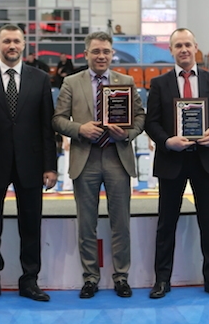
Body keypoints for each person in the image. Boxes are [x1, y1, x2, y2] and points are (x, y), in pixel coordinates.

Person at [52, 31, 145, 299]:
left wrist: (126, 134)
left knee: (121, 223)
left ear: (112, 54)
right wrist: (80, 129)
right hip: (86, 157)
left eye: (106, 51)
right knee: (86, 223)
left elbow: (140, 117)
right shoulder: (71, 82)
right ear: (86, 54)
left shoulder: (126, 81)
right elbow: (58, 119)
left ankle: (121, 276)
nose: (101, 56)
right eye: (96, 51)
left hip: (117, 156)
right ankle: (90, 277)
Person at [144, 28, 209, 300]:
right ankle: (162, 280)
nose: (183, 49)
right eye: (178, 45)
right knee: (166, 223)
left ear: (196, 47)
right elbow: (151, 122)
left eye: (187, 45)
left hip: (205, 160)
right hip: (171, 160)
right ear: (171, 50)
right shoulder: (159, 83)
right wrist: (167, 141)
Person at [0, 24, 58, 304]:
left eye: (17, 41)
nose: (12, 45)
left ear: (24, 45)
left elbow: (46, 126)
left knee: (31, 225)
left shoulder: (40, 78)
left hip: (30, 162)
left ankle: (30, 280)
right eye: (7, 41)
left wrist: (50, 165)